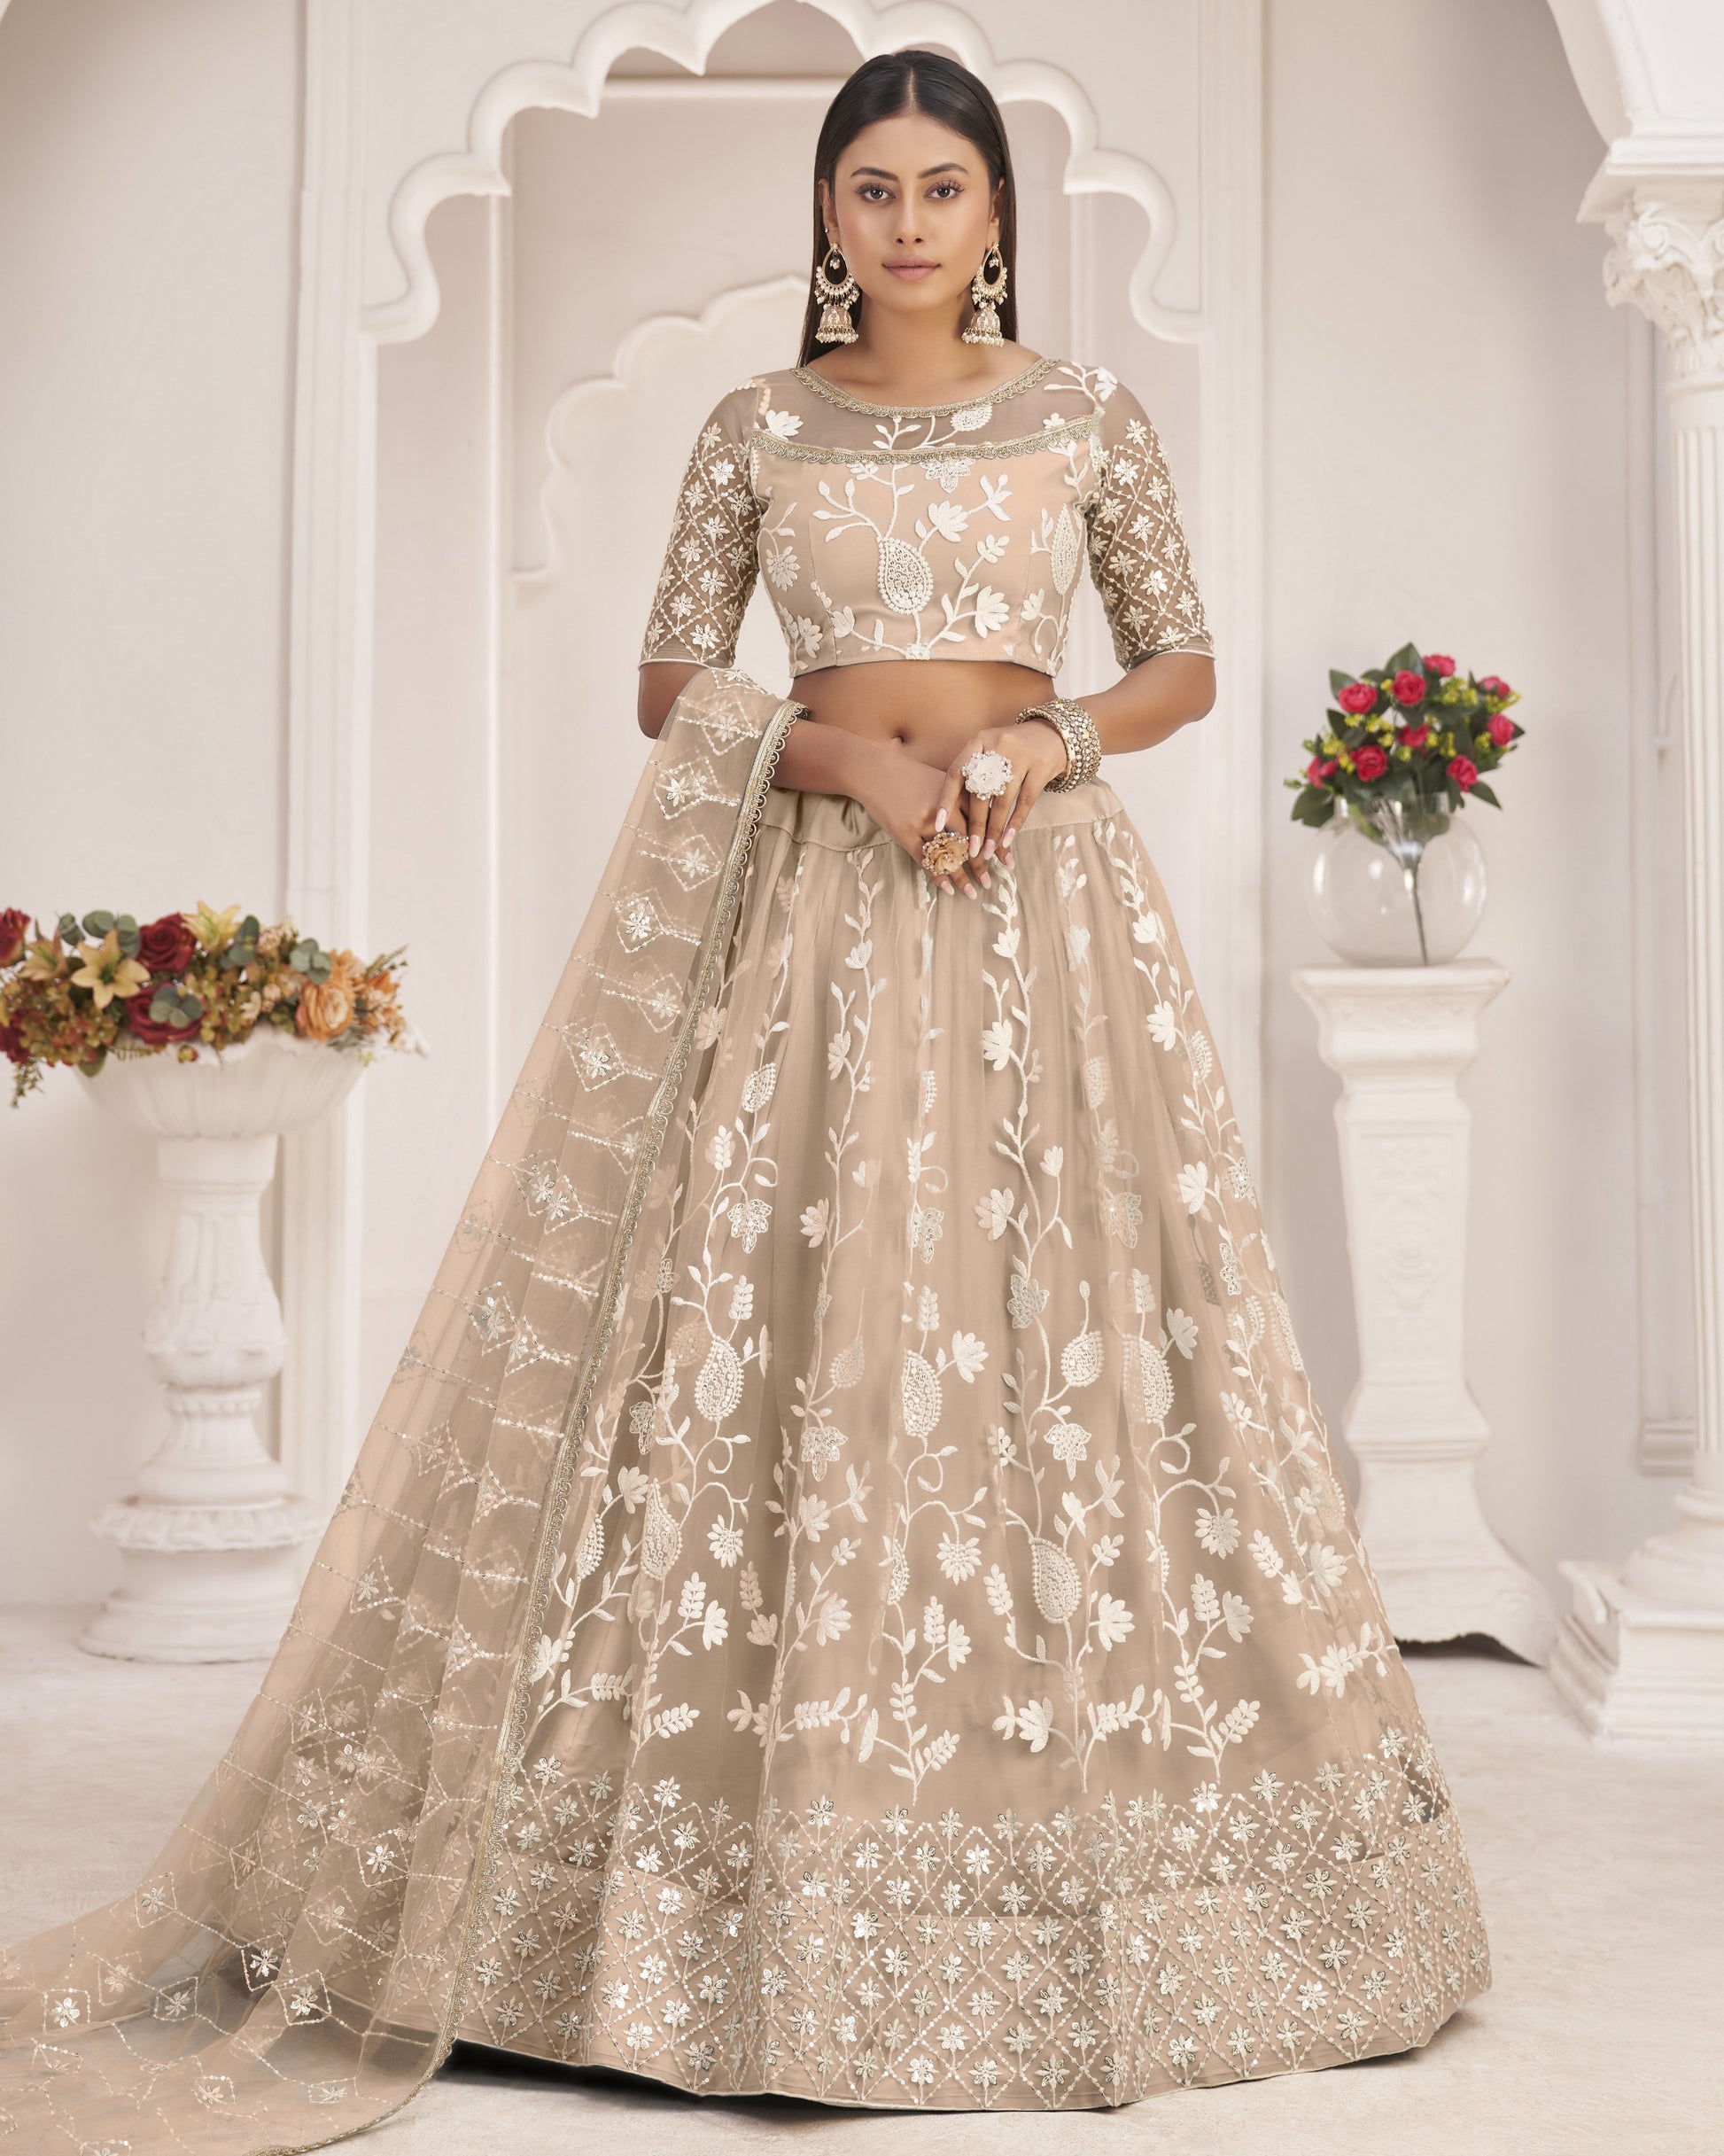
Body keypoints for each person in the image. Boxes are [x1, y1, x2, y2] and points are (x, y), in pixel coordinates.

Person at [0, 47, 1488, 2148]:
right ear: (825, 211)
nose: (907, 222)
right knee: (775, 1321)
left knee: (1063, 1320)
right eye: (872, 186)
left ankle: (1078, 1831)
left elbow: (1180, 661)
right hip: (806, 911)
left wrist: (1038, 742)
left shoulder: (1085, 416)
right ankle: (708, 1845)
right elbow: (667, 681)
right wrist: (852, 757)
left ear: (994, 211)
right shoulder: (757, 426)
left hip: (1039, 907)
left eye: (943, 186)